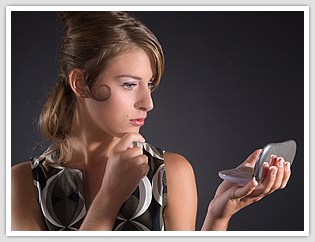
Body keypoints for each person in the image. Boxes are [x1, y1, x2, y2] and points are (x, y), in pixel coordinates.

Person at [11, 11, 291, 231]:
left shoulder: (170, 173)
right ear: (81, 83)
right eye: (130, 84)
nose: (148, 103)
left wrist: (218, 216)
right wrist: (109, 198)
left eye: (150, 85)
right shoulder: (23, 183)